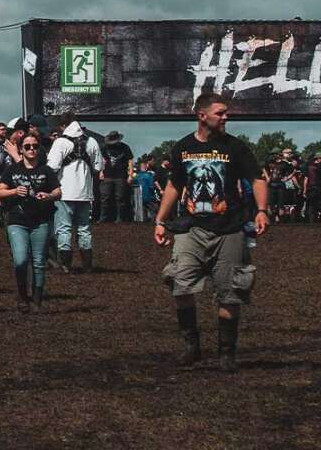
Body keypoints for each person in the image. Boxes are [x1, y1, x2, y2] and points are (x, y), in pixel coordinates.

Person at [153, 93, 269, 371]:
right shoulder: (182, 148)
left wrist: (262, 210)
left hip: (230, 229)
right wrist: (160, 220)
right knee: (179, 284)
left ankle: (226, 353)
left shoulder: (235, 147)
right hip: (190, 228)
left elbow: (256, 178)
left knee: (231, 291)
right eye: (220, 113)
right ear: (202, 115)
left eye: (226, 112)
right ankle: (191, 346)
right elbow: (174, 187)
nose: (225, 117)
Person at [0, 132, 60, 311]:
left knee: (39, 261)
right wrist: (15, 191)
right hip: (17, 220)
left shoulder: (46, 170)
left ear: (39, 149)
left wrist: (48, 196)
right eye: (27, 147)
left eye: (35, 146)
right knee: (21, 259)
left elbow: (58, 192)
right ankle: (23, 296)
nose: (32, 149)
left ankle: (37, 299)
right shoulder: (12, 170)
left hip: (41, 220)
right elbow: (0, 192)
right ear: (21, 150)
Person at [46, 114, 102, 272]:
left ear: (63, 126)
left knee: (64, 229)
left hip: (64, 192)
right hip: (85, 193)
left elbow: (52, 167)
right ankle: (87, 265)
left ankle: (65, 265)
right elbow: (98, 167)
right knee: (84, 229)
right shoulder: (91, 142)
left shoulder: (60, 142)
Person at [97, 130, 134, 223]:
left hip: (121, 175)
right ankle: (103, 217)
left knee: (120, 197)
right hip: (107, 175)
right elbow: (102, 160)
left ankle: (120, 218)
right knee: (105, 196)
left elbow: (130, 161)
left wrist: (130, 175)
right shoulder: (105, 147)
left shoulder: (125, 147)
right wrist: (101, 171)